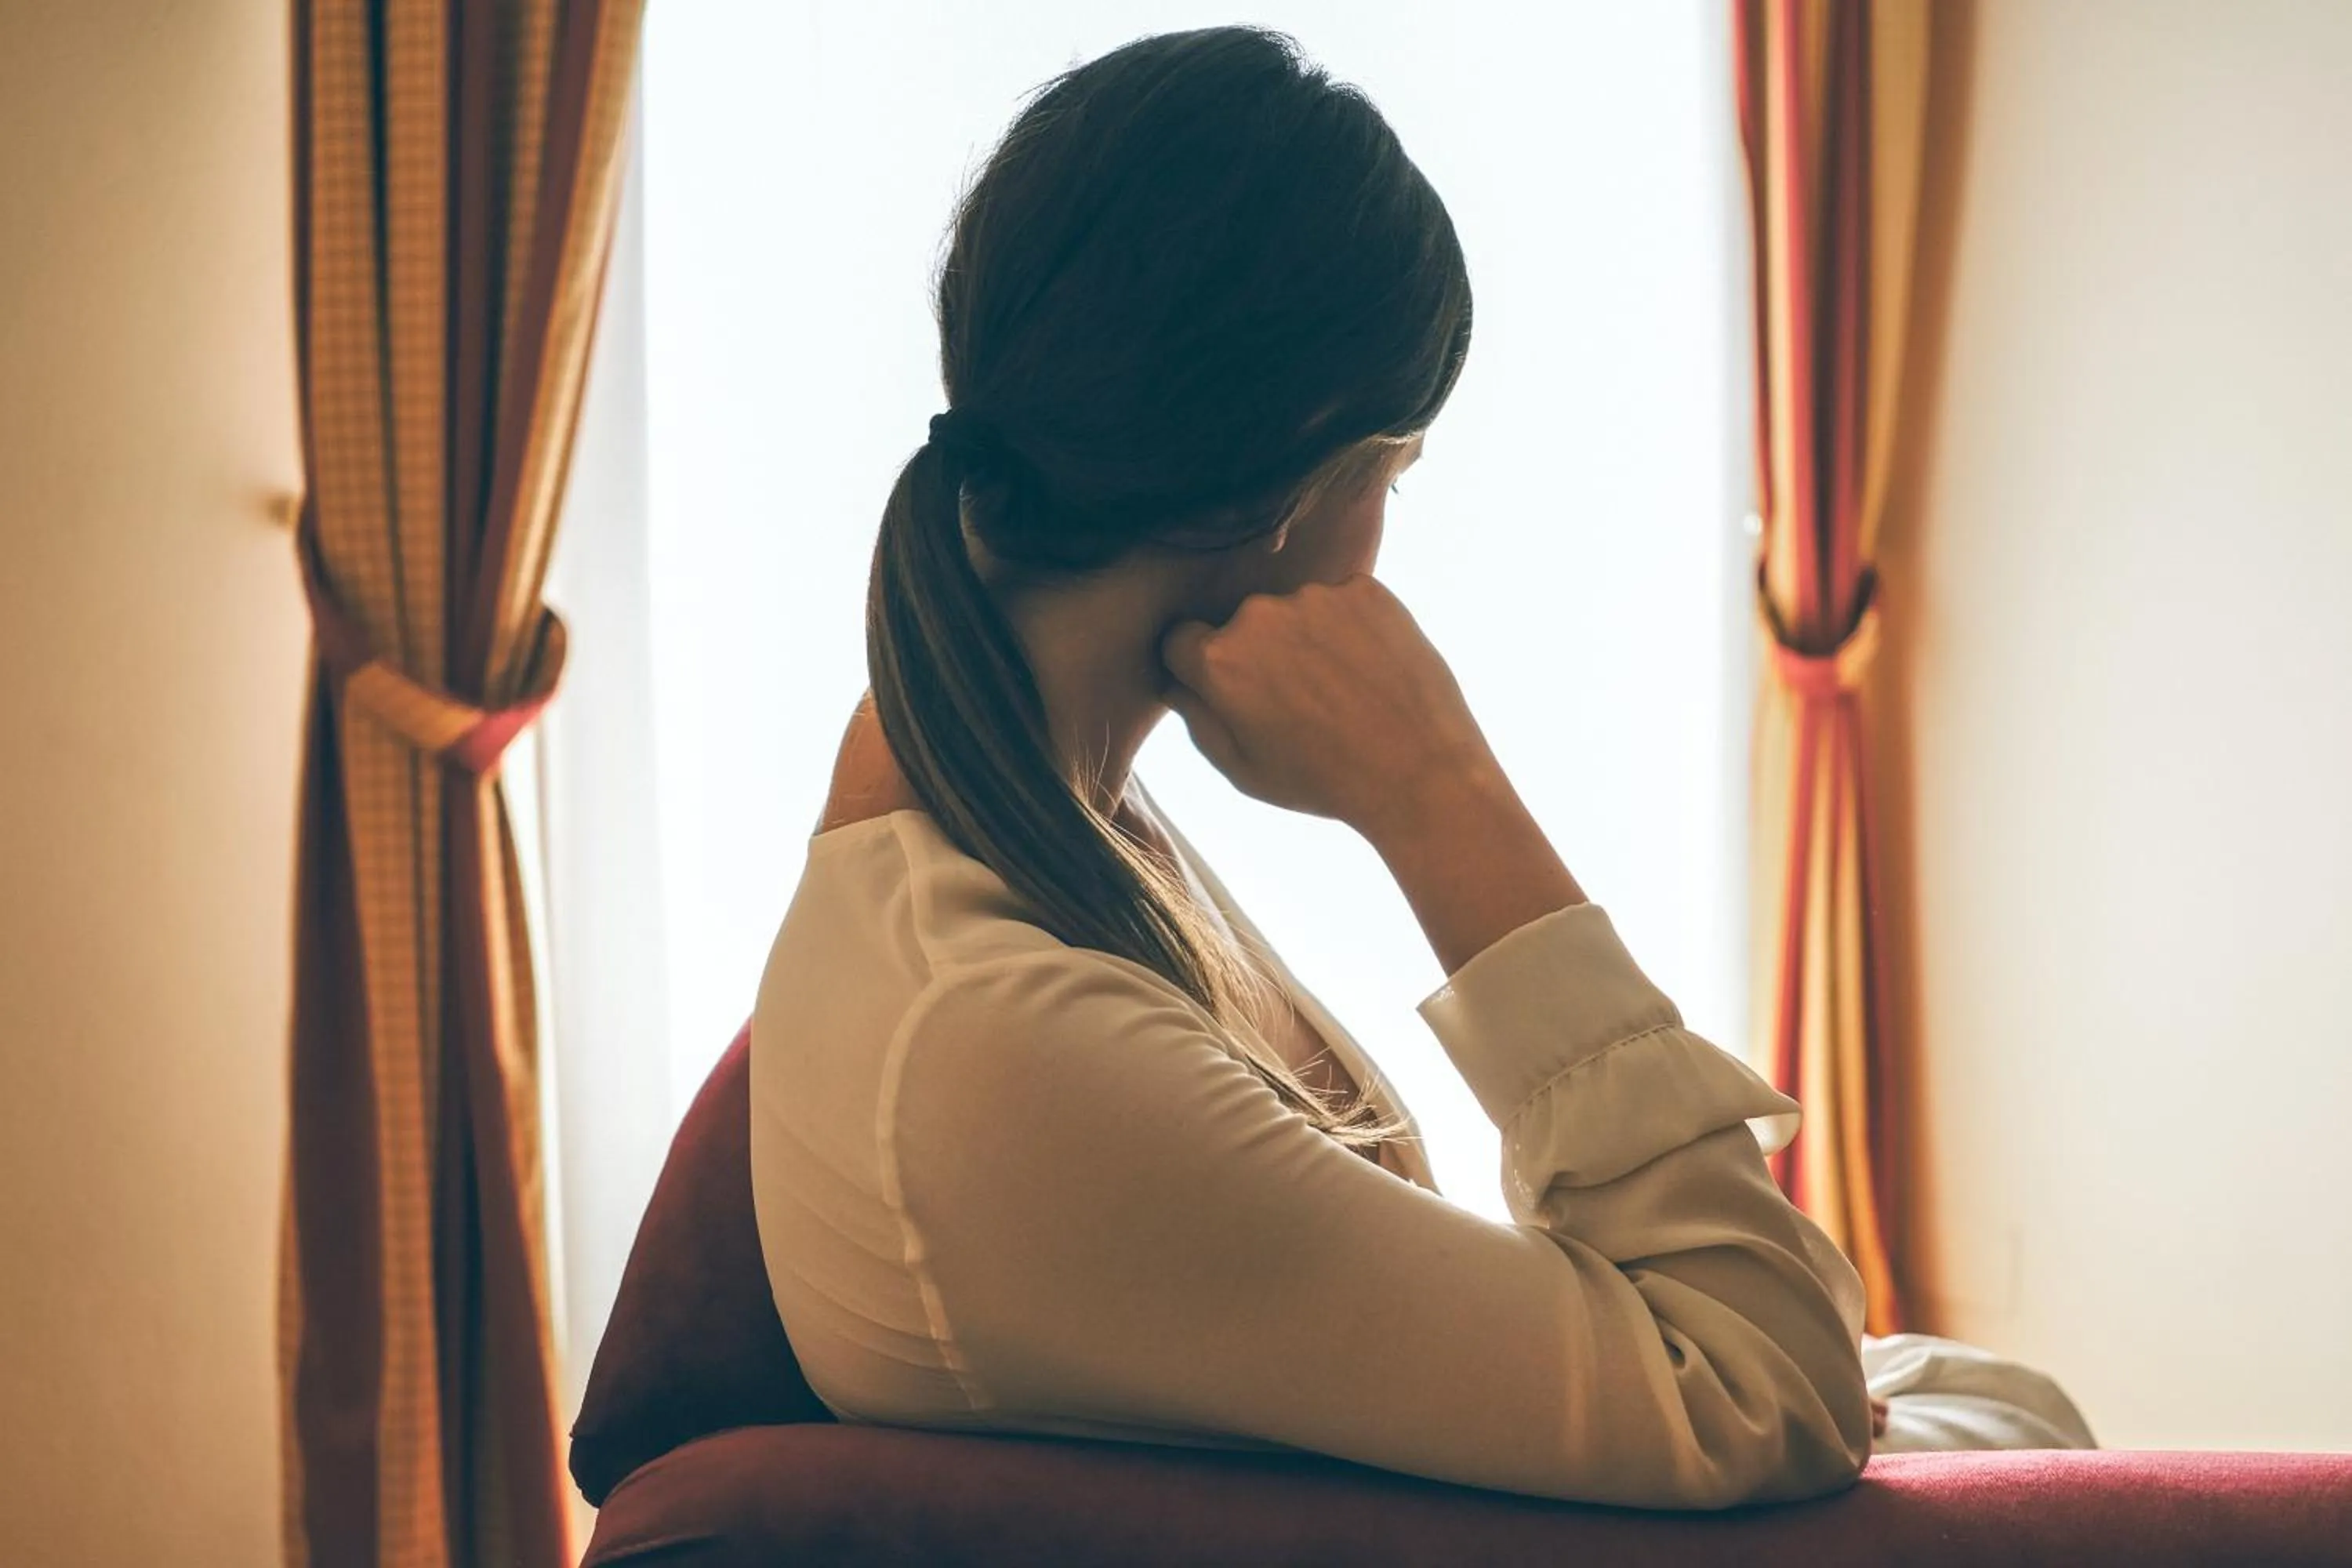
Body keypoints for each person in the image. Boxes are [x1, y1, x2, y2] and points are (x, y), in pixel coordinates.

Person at [748, 26, 2085, 1512]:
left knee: (1992, 1393)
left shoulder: (1007, 812)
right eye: (1394, 473)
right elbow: (1771, 1389)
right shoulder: (997, 1034)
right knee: (2013, 1415)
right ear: (1301, 468)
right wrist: (1443, 800)